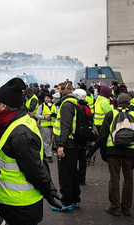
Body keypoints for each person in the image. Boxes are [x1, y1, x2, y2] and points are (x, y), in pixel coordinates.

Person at [0, 78, 61, 225]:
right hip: (9, 201)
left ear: (3, 106)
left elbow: (34, 169)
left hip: (19, 206)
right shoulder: (10, 122)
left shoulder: (20, 133)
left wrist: (48, 192)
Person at [97, 94, 134, 216]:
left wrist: (104, 152)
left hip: (113, 150)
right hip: (130, 151)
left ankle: (115, 207)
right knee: (128, 180)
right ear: (129, 103)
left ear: (117, 102)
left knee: (114, 179)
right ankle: (126, 208)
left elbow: (102, 135)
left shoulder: (111, 114)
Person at [52, 81, 82, 212]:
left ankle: (66, 202)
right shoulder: (75, 103)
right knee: (73, 172)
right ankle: (75, 199)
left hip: (67, 144)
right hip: (73, 143)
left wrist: (60, 146)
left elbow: (66, 126)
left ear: (65, 90)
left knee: (65, 174)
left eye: (59, 89)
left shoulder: (66, 105)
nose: (58, 91)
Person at [36, 93, 56, 163]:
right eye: (45, 98)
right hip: (45, 125)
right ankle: (49, 155)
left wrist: (54, 115)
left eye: (48, 98)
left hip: (53, 125)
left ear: (51, 98)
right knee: (47, 141)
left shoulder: (55, 106)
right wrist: (44, 117)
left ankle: (44, 152)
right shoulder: (41, 106)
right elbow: (37, 115)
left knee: (49, 140)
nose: (46, 99)